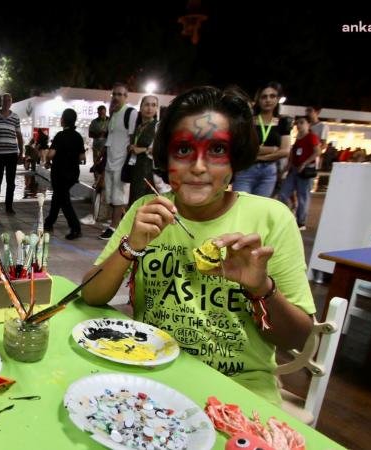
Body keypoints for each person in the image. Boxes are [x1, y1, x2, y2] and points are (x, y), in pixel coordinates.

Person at [81, 86, 314, 405]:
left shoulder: (272, 218)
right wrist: (130, 247)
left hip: (238, 390)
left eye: (217, 150)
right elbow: (91, 296)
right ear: (166, 156)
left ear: (235, 159)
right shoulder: (146, 211)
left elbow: (298, 337)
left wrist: (261, 288)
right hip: (149, 375)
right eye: (183, 150)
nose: (199, 167)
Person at [231, 81, 292, 197]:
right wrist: (273, 149)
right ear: (258, 99)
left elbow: (285, 151)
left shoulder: (283, 122)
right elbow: (243, 148)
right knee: (240, 204)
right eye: (264, 97)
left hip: (268, 172)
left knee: (260, 208)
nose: (268, 100)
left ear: (278, 99)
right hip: (246, 169)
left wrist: (258, 156)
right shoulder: (248, 120)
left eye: (272, 96)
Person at [99, 82, 137, 240]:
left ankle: (113, 228)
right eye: (114, 94)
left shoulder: (131, 113)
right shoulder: (113, 113)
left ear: (126, 97)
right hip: (110, 160)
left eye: (120, 94)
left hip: (122, 161)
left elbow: (133, 137)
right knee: (111, 196)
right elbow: (109, 137)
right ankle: (123, 223)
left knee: (118, 197)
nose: (116, 97)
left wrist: (130, 161)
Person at [43, 108, 84, 240]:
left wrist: (47, 160)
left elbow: (51, 154)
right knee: (58, 197)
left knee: (64, 201)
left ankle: (75, 228)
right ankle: (49, 223)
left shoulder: (60, 136)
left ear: (63, 120)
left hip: (59, 173)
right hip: (72, 174)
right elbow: (82, 157)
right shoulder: (78, 137)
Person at [278, 116, 319, 230]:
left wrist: (305, 163)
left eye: (302, 123)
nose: (299, 125)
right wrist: (285, 169)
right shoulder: (298, 138)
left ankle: (301, 222)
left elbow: (317, 152)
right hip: (294, 170)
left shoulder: (311, 137)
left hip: (305, 171)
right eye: (297, 123)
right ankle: (287, 215)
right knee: (283, 194)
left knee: (303, 197)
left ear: (308, 125)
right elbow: (292, 156)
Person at [123, 95, 159, 209]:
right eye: (147, 105)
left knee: (145, 205)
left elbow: (162, 149)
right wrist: (131, 147)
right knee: (135, 203)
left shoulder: (158, 126)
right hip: (136, 170)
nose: (150, 108)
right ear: (141, 107)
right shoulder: (138, 127)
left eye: (153, 105)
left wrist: (141, 149)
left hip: (150, 172)